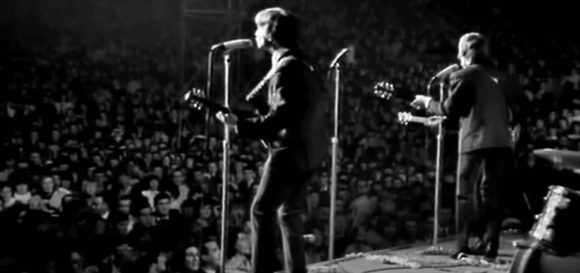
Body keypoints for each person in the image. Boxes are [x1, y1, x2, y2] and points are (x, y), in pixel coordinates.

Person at [216, 6, 328, 273]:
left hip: (289, 152)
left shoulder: (284, 70)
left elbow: (279, 119)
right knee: (289, 214)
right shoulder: (301, 63)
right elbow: (292, 111)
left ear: (270, 33)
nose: (254, 33)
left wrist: (238, 125)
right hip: (310, 152)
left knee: (261, 211)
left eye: (258, 27)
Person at [411, 32, 515, 261]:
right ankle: (490, 245)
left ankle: (462, 244)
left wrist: (428, 103)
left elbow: (450, 109)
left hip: (474, 139)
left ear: (463, 53)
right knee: (492, 193)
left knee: (465, 194)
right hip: (501, 141)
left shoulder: (464, 75)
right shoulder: (501, 76)